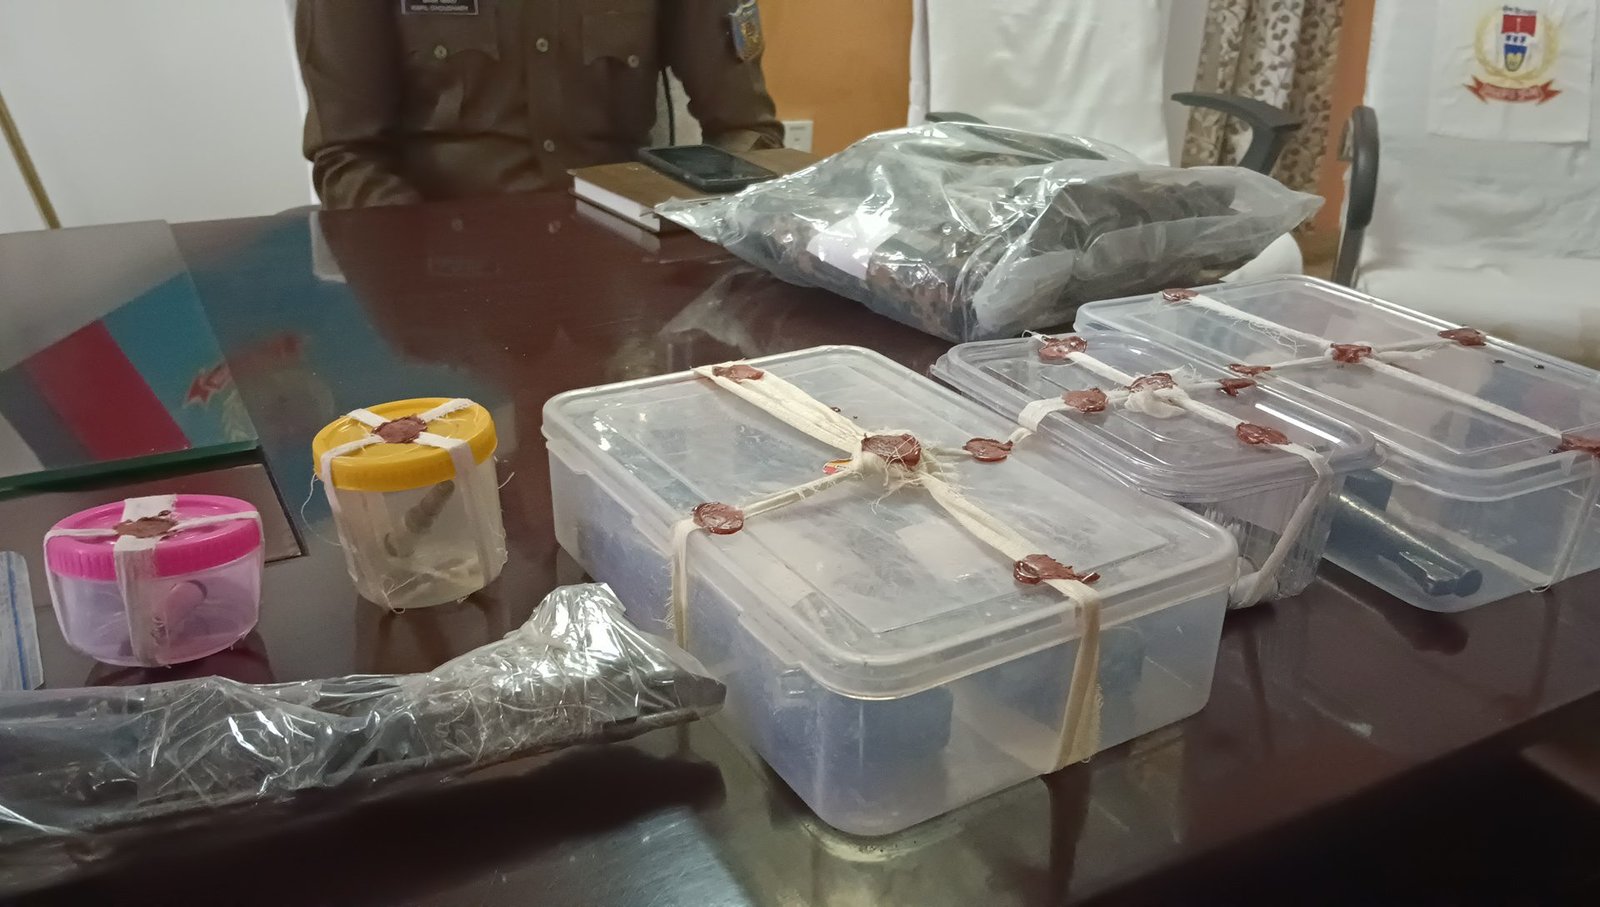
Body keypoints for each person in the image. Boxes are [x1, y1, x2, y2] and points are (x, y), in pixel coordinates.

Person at [295, 0, 784, 209]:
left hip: (624, 279)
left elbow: (748, 133)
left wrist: (706, 252)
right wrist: (417, 274)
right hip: (444, 283)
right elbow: (346, 155)